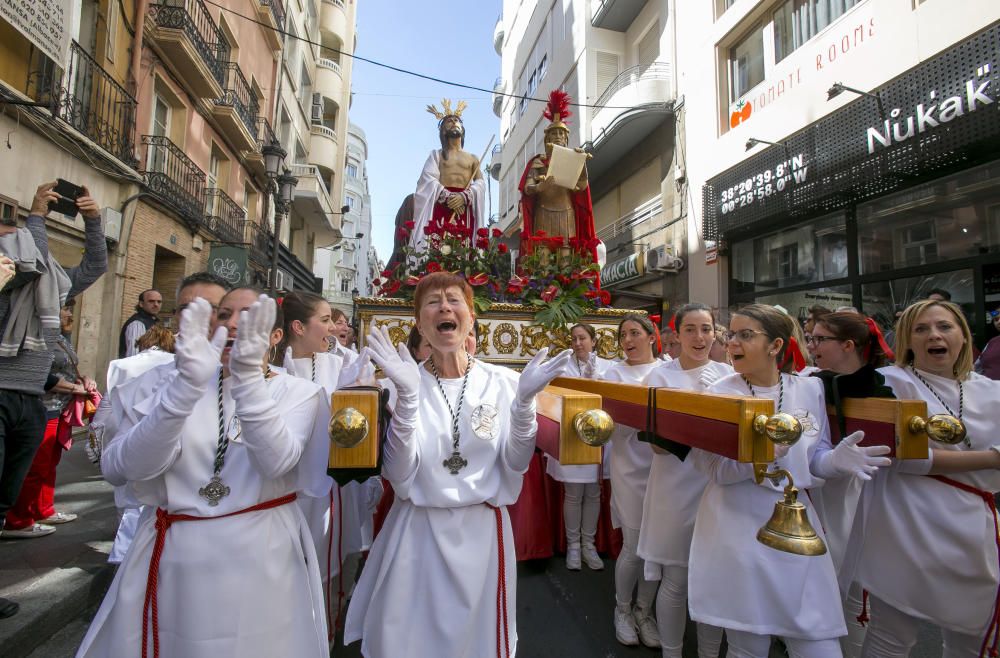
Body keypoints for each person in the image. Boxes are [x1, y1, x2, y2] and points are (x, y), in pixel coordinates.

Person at [78, 289, 331, 657]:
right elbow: (120, 469)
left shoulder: (298, 392)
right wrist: (182, 392)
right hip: (173, 556)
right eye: (225, 314)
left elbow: (276, 461)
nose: (232, 324)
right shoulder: (166, 383)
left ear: (276, 336)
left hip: (258, 554)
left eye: (249, 316)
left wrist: (246, 381)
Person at [344, 271, 572, 657]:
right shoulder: (400, 383)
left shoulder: (503, 382)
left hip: (481, 533)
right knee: (406, 642)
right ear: (420, 323)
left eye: (454, 300)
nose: (444, 306)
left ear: (470, 318)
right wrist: (408, 400)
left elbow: (515, 464)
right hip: (417, 532)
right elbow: (399, 478)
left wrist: (523, 406)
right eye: (432, 302)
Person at [689, 303, 889, 658]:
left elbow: (814, 460)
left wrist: (836, 462)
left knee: (819, 639)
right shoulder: (718, 393)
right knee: (748, 644)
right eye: (731, 334)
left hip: (797, 527)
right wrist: (763, 456)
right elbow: (715, 471)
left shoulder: (809, 388)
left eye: (746, 335)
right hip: (737, 526)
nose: (733, 342)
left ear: (776, 346)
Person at [857, 300, 1000, 657]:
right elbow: (903, 458)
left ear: (964, 337)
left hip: (972, 528)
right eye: (921, 329)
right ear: (907, 340)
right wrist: (993, 459)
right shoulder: (890, 384)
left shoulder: (991, 391)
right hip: (907, 523)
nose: (934, 335)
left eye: (944, 327)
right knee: (893, 633)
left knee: (971, 632)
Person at [0, 181, 106, 619]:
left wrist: (95, 220)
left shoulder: (54, 288)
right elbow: (32, 257)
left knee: (4, 498)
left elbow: (96, 263)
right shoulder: (9, 284)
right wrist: (37, 216)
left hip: (30, 401)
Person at [96, 273, 228, 566]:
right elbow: (116, 469)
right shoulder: (146, 381)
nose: (196, 317)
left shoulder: (251, 382)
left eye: (210, 308)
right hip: (165, 535)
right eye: (186, 308)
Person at [639, 304, 733, 658]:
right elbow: (659, 448)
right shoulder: (661, 378)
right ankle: (672, 651)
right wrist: (702, 405)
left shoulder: (729, 374)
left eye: (706, 329)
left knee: (712, 580)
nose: (699, 337)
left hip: (718, 487)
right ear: (676, 335)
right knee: (676, 579)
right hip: (674, 487)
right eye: (690, 329)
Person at [279, 291, 373, 639]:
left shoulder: (339, 364)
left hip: (331, 483)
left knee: (329, 561)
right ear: (298, 327)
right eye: (325, 320)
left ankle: (324, 633)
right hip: (284, 484)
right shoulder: (272, 367)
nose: (333, 328)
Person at [806, 310, 896, 657]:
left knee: (860, 588)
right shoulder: (807, 382)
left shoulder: (886, 386)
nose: (812, 346)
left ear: (847, 345)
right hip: (825, 491)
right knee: (823, 578)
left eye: (819, 339)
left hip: (871, 496)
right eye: (810, 339)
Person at [3, 302, 100, 538]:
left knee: (49, 463)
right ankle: (18, 520)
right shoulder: (35, 336)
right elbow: (41, 375)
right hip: (43, 405)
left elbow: (69, 367)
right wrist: (73, 388)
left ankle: (42, 508)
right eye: (65, 308)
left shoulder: (61, 338)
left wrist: (85, 379)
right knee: (34, 466)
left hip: (60, 407)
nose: (69, 313)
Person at [604, 313, 664, 649]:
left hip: (664, 468)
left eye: (635, 333)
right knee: (634, 544)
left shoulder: (668, 370)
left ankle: (645, 612)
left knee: (656, 548)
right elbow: (610, 422)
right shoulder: (614, 373)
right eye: (623, 334)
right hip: (629, 466)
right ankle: (622, 609)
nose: (628, 340)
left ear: (651, 336)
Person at [545, 323, 612, 572]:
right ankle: (573, 545)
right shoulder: (562, 365)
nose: (577, 343)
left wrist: (596, 380)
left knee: (593, 492)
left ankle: (589, 544)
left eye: (582, 338)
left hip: (596, 437)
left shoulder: (608, 366)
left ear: (593, 341)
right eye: (573, 339)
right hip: (572, 436)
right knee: (573, 493)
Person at [518, 90, 599, 262]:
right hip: (543, 212)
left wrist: (582, 163)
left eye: (561, 134)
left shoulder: (573, 158)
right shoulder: (538, 162)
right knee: (543, 260)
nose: (558, 137)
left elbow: (582, 187)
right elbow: (527, 188)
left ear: (566, 138)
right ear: (547, 137)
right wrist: (539, 187)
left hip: (566, 212)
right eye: (554, 133)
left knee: (566, 260)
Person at [408, 101, 485, 254]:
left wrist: (465, 195)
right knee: (438, 246)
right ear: (443, 130)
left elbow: (480, 182)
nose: (454, 122)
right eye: (449, 121)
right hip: (441, 205)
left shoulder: (473, 158)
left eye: (457, 120)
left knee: (463, 249)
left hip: (464, 208)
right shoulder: (437, 155)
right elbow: (428, 179)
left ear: (462, 129)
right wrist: (447, 195)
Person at [118, 289, 162, 358]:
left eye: (159, 302)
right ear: (141, 304)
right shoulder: (137, 324)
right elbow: (134, 356)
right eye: (151, 301)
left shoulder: (152, 321)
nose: (156, 304)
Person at [974, 304, 1000, 380]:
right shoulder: (992, 342)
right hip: (987, 388)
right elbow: (978, 367)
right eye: (996, 319)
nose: (999, 322)